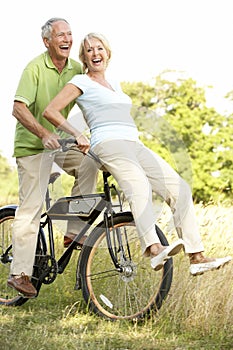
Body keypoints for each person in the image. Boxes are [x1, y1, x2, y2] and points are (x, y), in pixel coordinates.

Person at [43, 32, 232, 276]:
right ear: (84, 58)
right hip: (108, 144)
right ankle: (154, 249)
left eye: (99, 48)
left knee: (180, 188)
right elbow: (51, 111)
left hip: (134, 144)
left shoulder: (116, 86)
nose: (95, 53)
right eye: (89, 50)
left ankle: (197, 256)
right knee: (138, 185)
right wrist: (77, 134)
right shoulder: (81, 81)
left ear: (107, 53)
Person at [7, 20, 98, 298]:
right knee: (31, 207)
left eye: (70, 34)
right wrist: (43, 132)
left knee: (89, 163)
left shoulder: (74, 69)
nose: (67, 38)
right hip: (32, 146)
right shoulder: (35, 68)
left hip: (60, 143)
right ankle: (19, 273)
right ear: (47, 41)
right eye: (61, 34)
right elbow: (18, 108)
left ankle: (73, 230)